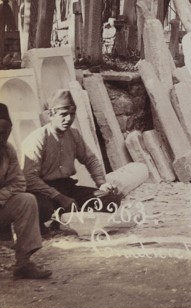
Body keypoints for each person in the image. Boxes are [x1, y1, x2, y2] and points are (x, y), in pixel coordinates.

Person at [21, 89, 119, 235]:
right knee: (42, 207)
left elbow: (90, 159)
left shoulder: (74, 135)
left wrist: (101, 183)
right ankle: (47, 223)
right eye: (63, 114)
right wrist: (59, 197)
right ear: (51, 115)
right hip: (41, 190)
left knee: (110, 199)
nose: (68, 119)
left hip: (67, 186)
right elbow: (29, 178)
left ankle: (65, 218)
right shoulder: (37, 138)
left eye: (72, 114)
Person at [0, 103, 51, 279]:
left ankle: (23, 264)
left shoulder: (8, 150)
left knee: (26, 200)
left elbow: (19, 183)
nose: (2, 136)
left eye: (6, 131)